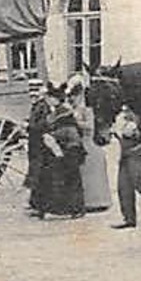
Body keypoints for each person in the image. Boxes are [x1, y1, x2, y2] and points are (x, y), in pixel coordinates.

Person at [40, 86, 85, 219]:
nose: (47, 100)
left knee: (71, 179)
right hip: (64, 147)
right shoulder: (58, 111)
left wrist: (52, 135)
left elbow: (69, 129)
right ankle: (69, 209)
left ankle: (75, 208)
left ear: (55, 99)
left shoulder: (64, 112)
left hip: (70, 148)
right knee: (66, 179)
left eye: (49, 98)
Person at [69, 76, 111, 213]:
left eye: (74, 97)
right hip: (79, 144)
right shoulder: (72, 110)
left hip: (89, 144)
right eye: (71, 97)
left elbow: (90, 127)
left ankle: (97, 201)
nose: (72, 100)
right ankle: (84, 202)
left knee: (91, 173)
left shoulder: (87, 110)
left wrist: (75, 123)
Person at [110, 106, 141, 231]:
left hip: (137, 152)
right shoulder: (121, 114)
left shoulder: (139, 113)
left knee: (139, 184)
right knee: (123, 186)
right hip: (125, 152)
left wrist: (134, 128)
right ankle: (129, 218)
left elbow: (140, 131)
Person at [23, 78, 51, 217]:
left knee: (39, 174)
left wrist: (28, 126)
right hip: (34, 144)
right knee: (35, 172)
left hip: (40, 144)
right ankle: (35, 203)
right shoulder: (36, 106)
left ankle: (39, 206)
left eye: (35, 95)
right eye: (31, 95)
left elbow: (42, 125)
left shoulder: (43, 106)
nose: (32, 97)